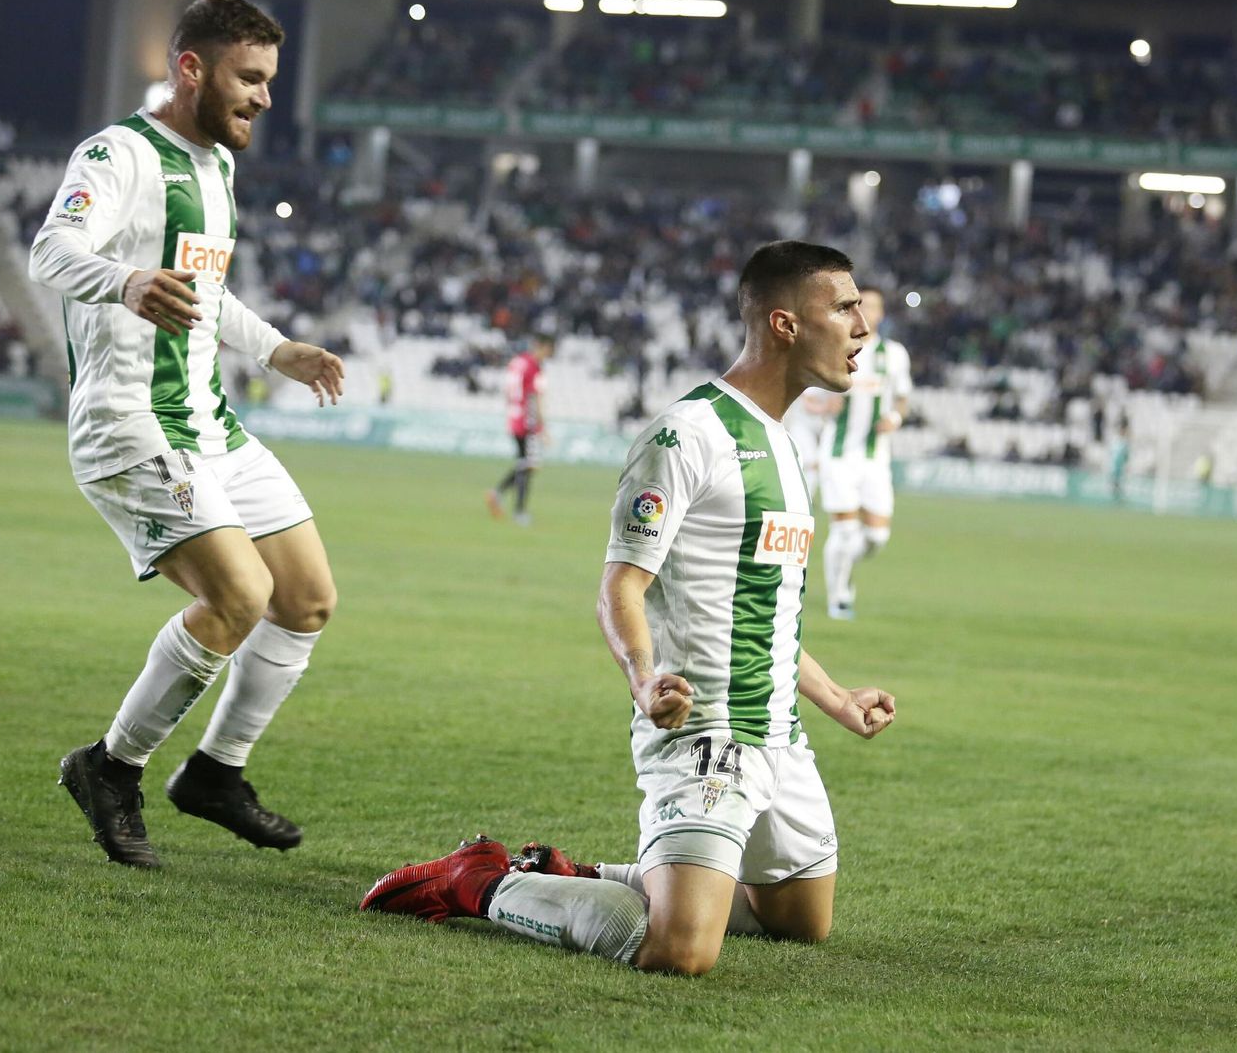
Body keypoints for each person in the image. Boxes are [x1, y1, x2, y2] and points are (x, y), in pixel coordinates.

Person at [362, 241, 897, 975]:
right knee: (680, 951)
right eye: (843, 307)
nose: (862, 326)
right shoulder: (690, 435)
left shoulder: (780, 443)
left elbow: (762, 608)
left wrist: (837, 700)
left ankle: (582, 875)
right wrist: (645, 680)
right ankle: (483, 883)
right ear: (784, 323)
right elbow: (620, 586)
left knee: (800, 924)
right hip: (708, 733)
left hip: (782, 736)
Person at [29, 0, 345, 869]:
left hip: (209, 422)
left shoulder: (215, 168)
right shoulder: (120, 154)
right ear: (190, 68)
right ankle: (108, 766)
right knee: (238, 595)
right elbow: (50, 252)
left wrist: (277, 349)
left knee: (307, 598)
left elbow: (205, 292)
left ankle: (215, 772)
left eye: (270, 81)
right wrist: (124, 282)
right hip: (130, 424)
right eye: (250, 78)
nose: (265, 98)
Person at [816, 286, 913, 620]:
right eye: (861, 305)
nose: (867, 311)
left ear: (881, 314)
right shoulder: (832, 347)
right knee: (843, 530)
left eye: (873, 306)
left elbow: (902, 397)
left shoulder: (895, 354)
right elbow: (809, 397)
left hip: (875, 456)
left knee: (875, 536)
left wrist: (895, 418)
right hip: (839, 454)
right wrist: (823, 405)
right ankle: (839, 597)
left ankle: (841, 564)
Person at [486, 334, 554, 525]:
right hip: (527, 421)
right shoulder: (534, 367)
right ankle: (519, 511)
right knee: (528, 464)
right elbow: (536, 397)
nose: (548, 354)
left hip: (514, 417)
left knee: (524, 462)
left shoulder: (517, 362)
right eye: (548, 350)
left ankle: (497, 494)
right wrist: (542, 428)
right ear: (540, 346)